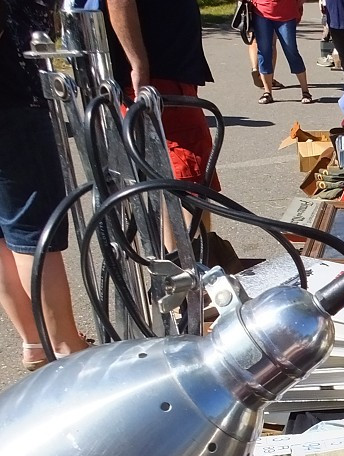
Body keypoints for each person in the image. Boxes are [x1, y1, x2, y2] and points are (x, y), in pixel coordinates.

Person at [103, 0, 239, 270]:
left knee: (170, 179)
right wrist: (138, 62)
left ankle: (186, 271)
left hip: (167, 71)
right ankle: (195, 276)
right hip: (158, 76)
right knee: (186, 179)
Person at [0, 0, 89, 371]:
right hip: (12, 97)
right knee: (32, 228)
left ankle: (36, 341)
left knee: (6, 230)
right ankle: (65, 346)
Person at [251, 0, 312, 104]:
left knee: (291, 50)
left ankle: (305, 91)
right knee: (264, 51)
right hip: (261, 11)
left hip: (286, 13)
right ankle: (267, 92)